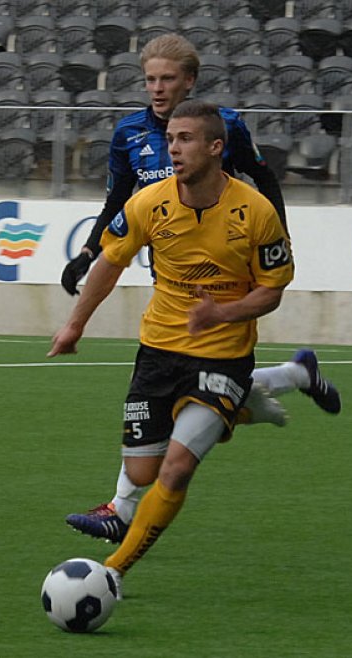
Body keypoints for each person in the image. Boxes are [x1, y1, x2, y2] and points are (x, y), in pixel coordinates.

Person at [59, 34, 341, 544]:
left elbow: (262, 178)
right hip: (167, 268)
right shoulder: (128, 134)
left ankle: (121, 509)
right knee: (193, 384)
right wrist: (87, 253)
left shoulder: (223, 125)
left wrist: (275, 235)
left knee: (204, 378)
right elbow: (118, 201)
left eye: (168, 79)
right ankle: (294, 375)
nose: (158, 88)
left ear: (189, 81)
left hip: (222, 273)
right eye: (150, 79)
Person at [50, 100, 296, 594]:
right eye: (171, 139)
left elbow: (272, 289)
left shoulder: (256, 211)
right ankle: (250, 401)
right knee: (143, 470)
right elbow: (110, 263)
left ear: (215, 147)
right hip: (158, 352)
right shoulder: (149, 203)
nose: (174, 149)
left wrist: (220, 314)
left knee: (179, 467)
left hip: (223, 352)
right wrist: (74, 326)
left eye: (185, 139)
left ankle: (113, 572)